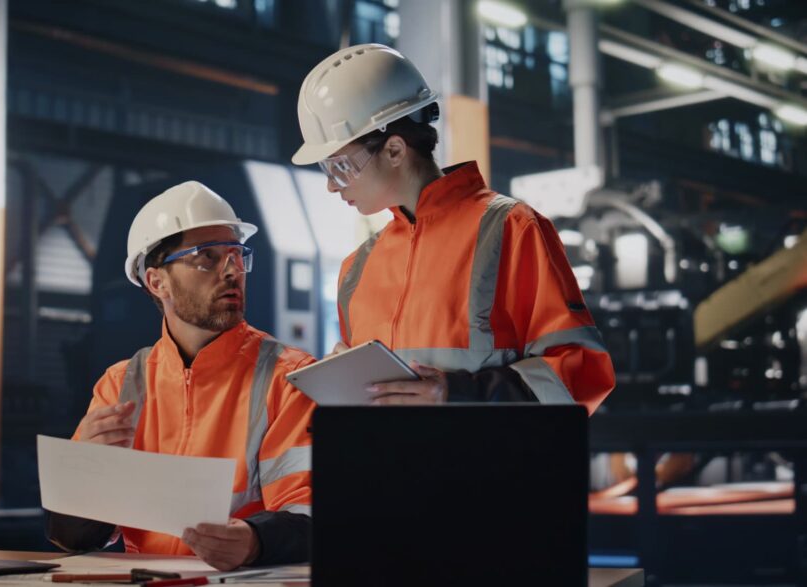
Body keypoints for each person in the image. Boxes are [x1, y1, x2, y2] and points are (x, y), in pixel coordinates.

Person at [292, 43, 615, 411]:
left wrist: (457, 393)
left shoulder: (511, 229)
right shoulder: (357, 269)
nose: (332, 185)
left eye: (340, 167)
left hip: (486, 468)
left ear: (395, 150)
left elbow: (582, 373)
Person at [45, 181, 315, 570]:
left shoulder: (289, 380)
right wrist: (83, 472)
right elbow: (73, 538)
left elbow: (311, 518)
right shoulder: (120, 384)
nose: (232, 272)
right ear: (157, 282)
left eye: (236, 256)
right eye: (207, 257)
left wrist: (255, 542)